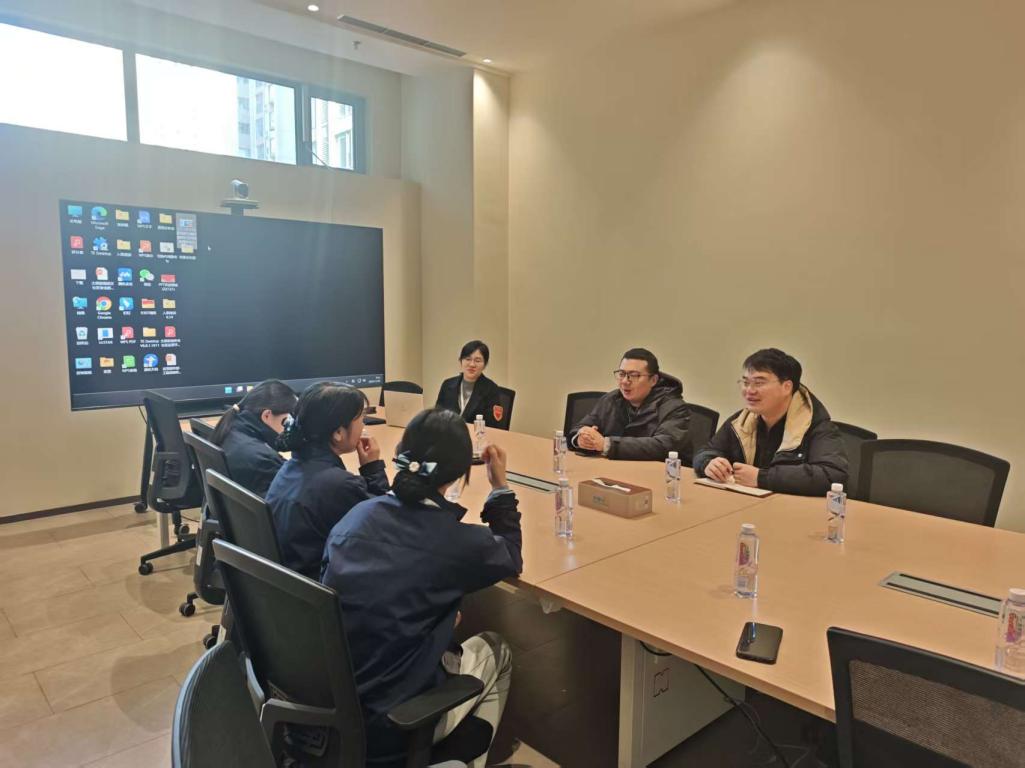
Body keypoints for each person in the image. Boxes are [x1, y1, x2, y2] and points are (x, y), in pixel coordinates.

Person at [322, 408, 522, 768]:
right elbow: (509, 553)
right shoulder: (456, 542)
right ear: (461, 472)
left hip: (330, 706)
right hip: (391, 724)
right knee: (498, 648)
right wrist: (500, 487)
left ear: (401, 453)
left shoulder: (356, 517)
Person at [266, 382, 389, 578]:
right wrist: (372, 468)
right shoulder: (338, 484)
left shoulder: (292, 466)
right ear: (338, 433)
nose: (364, 425)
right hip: (318, 585)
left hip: (288, 579)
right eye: (361, 419)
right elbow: (385, 524)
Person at [693, 348, 848, 496]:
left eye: (759, 383)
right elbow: (707, 451)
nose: (749, 391)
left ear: (786, 387)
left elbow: (832, 475)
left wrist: (761, 478)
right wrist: (708, 463)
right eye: (745, 383)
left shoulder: (817, 426)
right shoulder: (742, 420)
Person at [568, 347, 691, 462]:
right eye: (622, 374)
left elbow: (663, 446)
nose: (625, 381)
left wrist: (607, 444)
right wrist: (581, 438)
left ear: (653, 380)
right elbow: (581, 427)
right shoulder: (611, 399)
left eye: (634, 375)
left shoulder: (674, 407)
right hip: (612, 469)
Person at [209, 380, 297, 497]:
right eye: (287, 421)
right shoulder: (264, 460)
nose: (289, 428)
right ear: (266, 415)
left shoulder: (230, 428)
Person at [435, 340, 507, 428]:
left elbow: (493, 426)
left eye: (477, 360)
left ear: (485, 364)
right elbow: (437, 417)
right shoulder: (447, 385)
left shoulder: (491, 389)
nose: (472, 364)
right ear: (461, 361)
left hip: (476, 435)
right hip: (449, 434)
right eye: (468, 359)